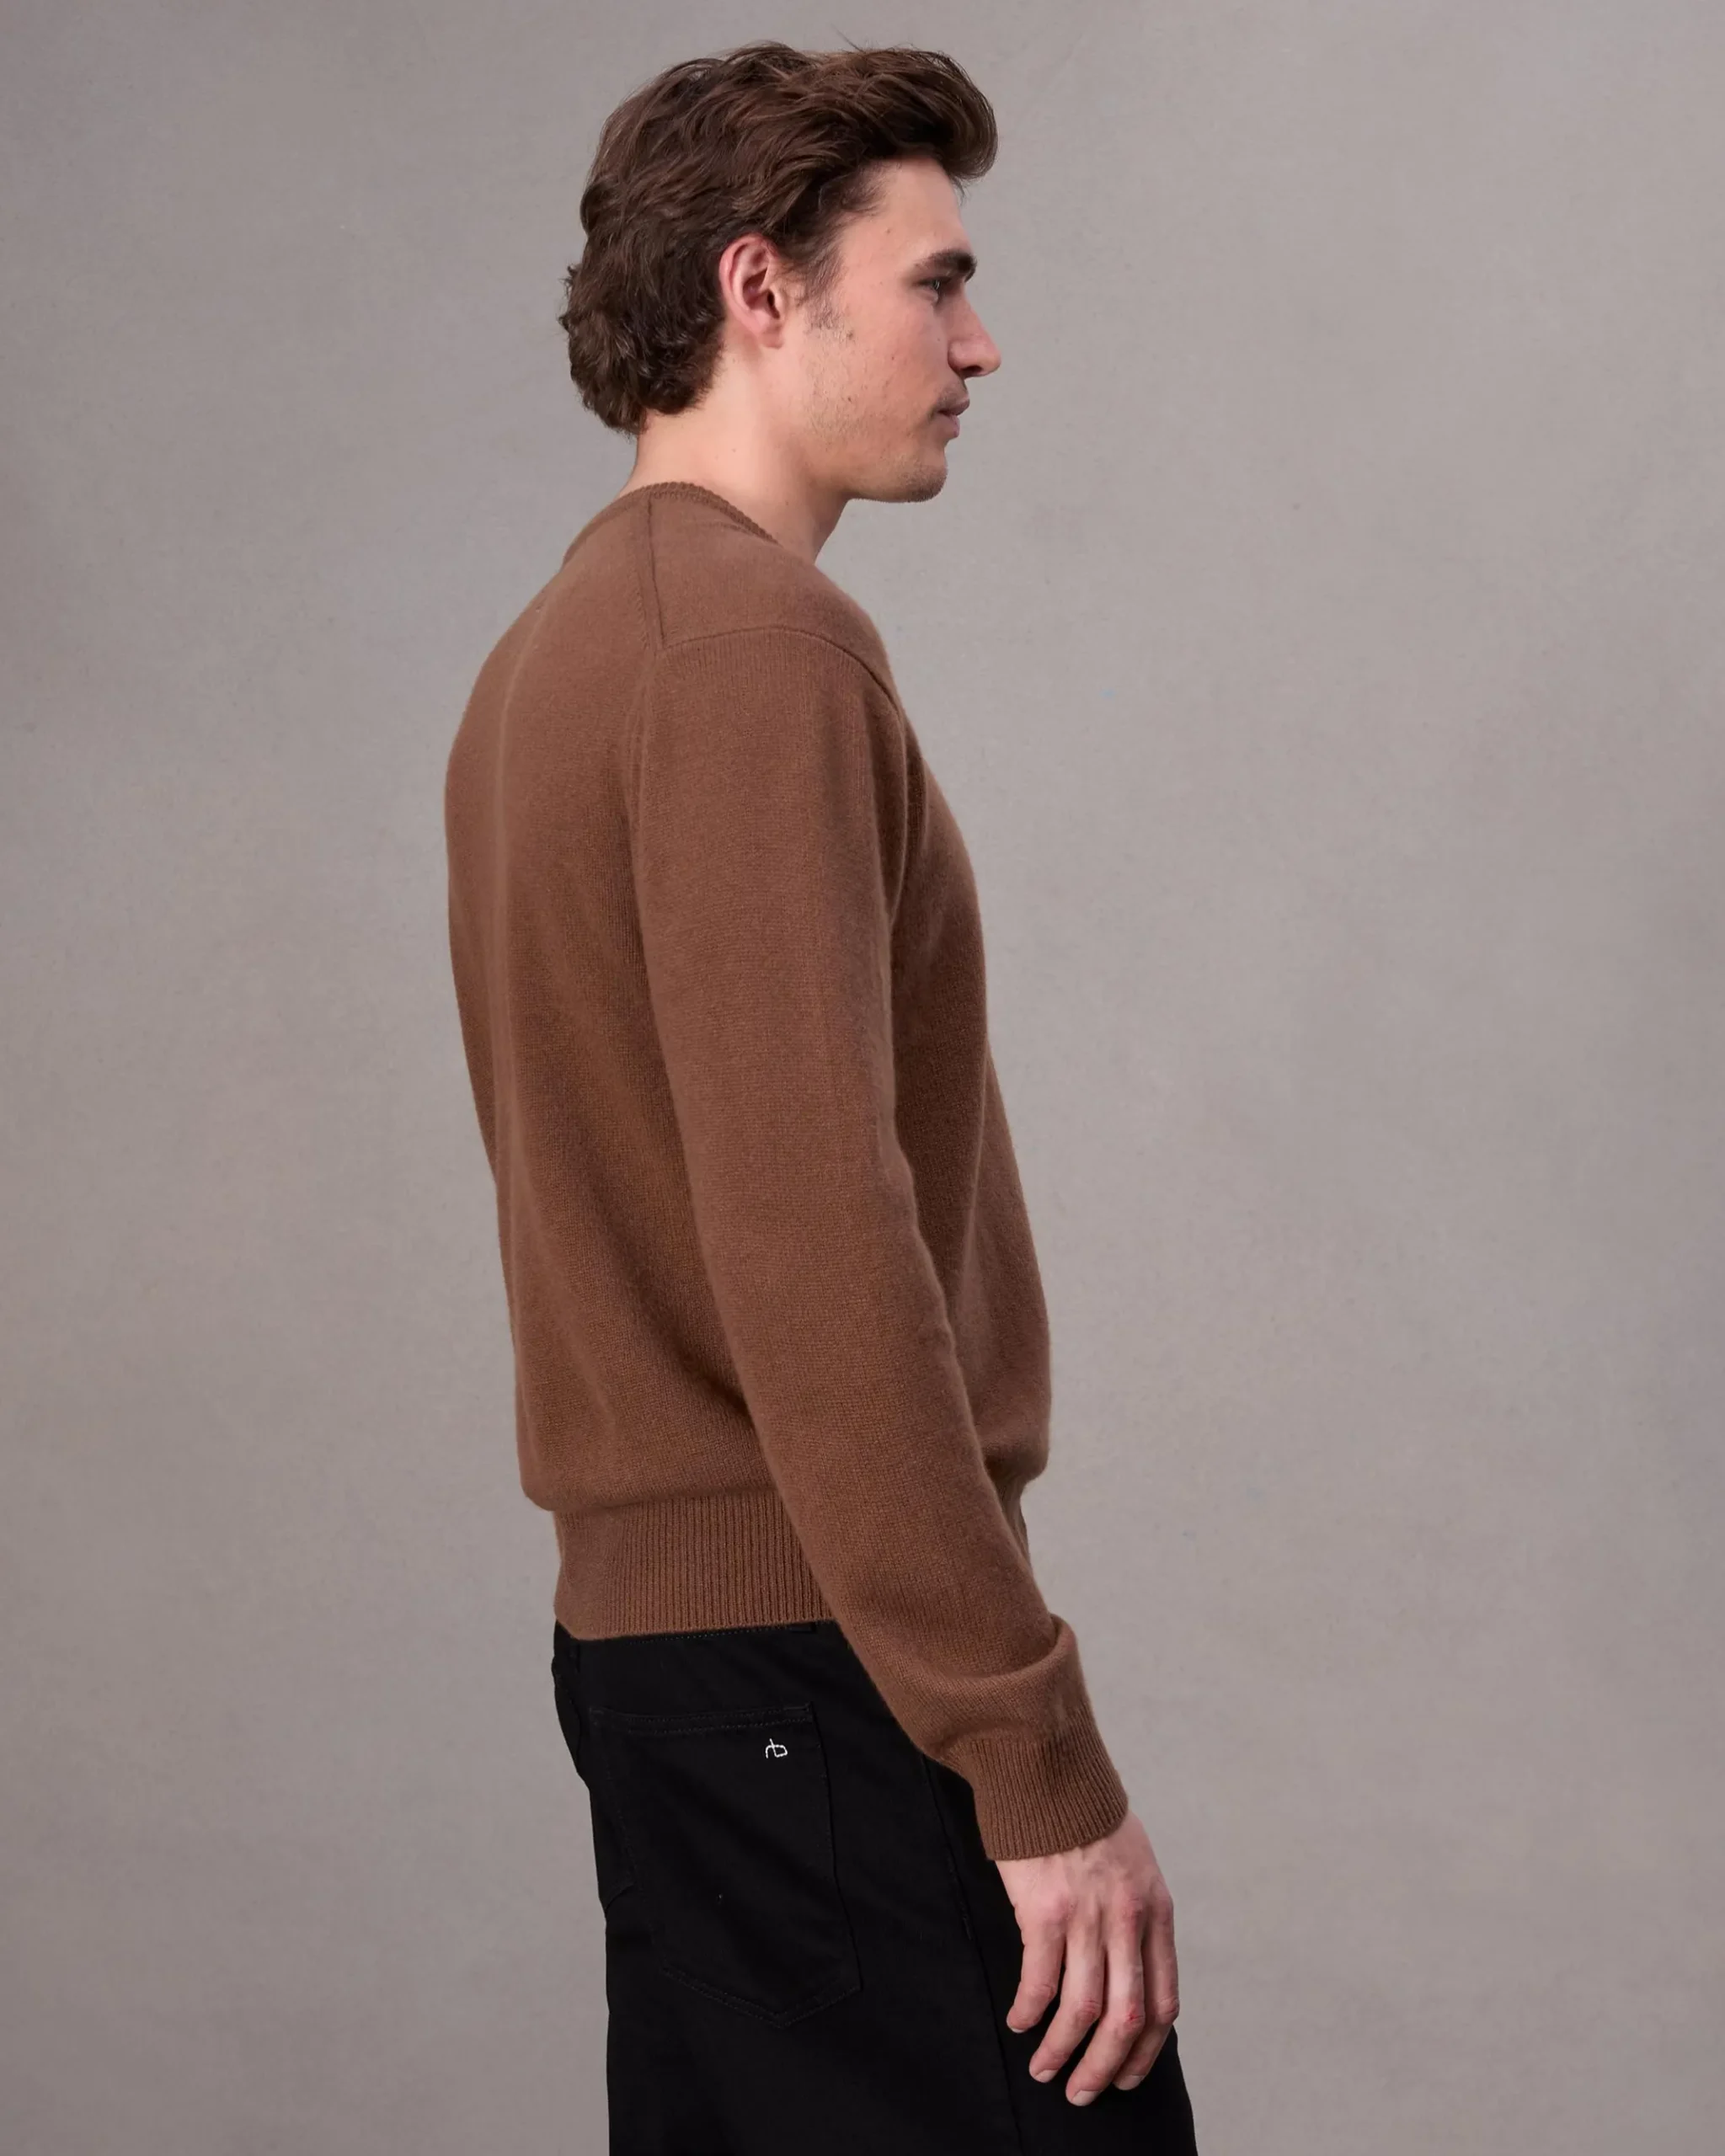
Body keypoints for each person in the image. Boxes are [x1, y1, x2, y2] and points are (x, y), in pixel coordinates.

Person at [443, 38, 1198, 2153]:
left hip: (682, 1676)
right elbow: (811, 1238)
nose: (979, 344)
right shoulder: (749, 647)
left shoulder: (551, 659)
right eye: (935, 282)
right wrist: (1030, 1754)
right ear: (760, 287)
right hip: (825, 1669)